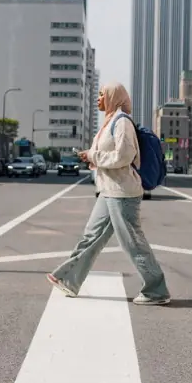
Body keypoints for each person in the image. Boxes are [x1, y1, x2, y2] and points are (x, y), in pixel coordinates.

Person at [46, 81, 171, 305]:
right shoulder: (109, 121)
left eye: (102, 94)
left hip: (123, 192)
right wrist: (90, 155)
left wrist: (93, 157)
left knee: (132, 243)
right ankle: (68, 279)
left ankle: (156, 290)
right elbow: (107, 153)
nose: (98, 98)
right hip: (108, 190)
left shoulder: (122, 122)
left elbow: (124, 156)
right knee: (91, 236)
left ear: (114, 97)